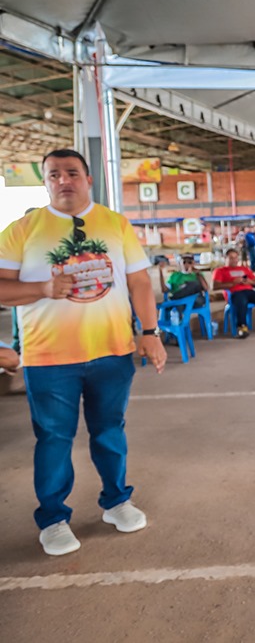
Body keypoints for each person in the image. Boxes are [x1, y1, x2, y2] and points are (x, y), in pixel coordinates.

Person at [0, 148, 167, 557]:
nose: (63, 180)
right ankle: (53, 519)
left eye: (72, 172)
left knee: (109, 431)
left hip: (111, 352)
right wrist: (42, 288)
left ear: (88, 179)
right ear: (45, 182)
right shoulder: (21, 229)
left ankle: (116, 501)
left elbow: (140, 283)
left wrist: (150, 332)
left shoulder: (115, 223)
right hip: (48, 358)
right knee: (54, 438)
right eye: (54, 174)